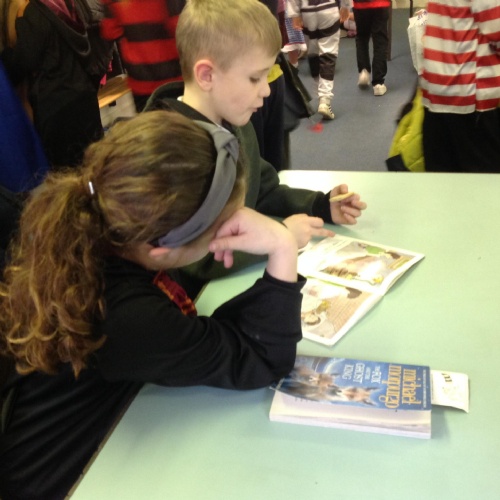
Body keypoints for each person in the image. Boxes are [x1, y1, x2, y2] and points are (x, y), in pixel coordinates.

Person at [0, 110, 305, 499]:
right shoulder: (128, 317)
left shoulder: (95, 237)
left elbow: (204, 335)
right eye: (225, 226)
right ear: (162, 251)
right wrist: (281, 245)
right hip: (59, 485)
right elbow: (260, 357)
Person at [145, 0, 366, 295]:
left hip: (237, 282)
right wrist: (281, 236)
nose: (266, 90)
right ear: (207, 75)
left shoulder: (236, 123)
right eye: (254, 78)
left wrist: (318, 205)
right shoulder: (174, 154)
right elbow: (194, 258)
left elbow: (263, 190)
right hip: (198, 301)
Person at [1, 0, 107, 169]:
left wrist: (6, 54)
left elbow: (21, 65)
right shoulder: (65, 4)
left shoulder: (33, 12)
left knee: (69, 175)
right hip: (84, 95)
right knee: (97, 164)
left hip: (58, 106)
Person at [420, 0, 500, 172]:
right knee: (486, 182)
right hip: (471, 97)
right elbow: (496, 27)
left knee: (441, 179)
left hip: (437, 90)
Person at [99, 0, 183, 112]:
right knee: (181, 120)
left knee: (149, 120)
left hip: (139, 79)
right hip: (172, 77)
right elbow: (180, 28)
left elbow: (110, 31)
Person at [287, 0, 351, 120]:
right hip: (329, 9)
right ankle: (324, 99)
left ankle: (320, 93)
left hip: (307, 12)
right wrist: (346, 5)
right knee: (328, 54)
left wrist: (294, 13)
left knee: (313, 53)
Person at [352, 0, 391, 96]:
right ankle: (378, 83)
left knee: (362, 37)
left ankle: (364, 70)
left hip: (360, 5)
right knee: (380, 41)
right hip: (380, 3)